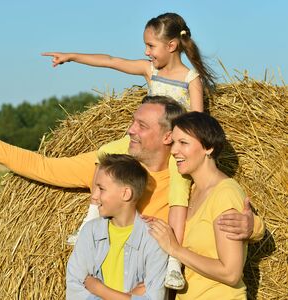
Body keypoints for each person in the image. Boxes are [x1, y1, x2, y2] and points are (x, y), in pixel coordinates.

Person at [0, 95, 263, 291]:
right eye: (132, 122)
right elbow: (45, 167)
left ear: (169, 137)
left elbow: (223, 207)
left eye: (141, 126)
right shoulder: (112, 168)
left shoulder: (187, 175)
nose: (130, 130)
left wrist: (254, 228)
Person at [42, 12, 216, 289]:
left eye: (151, 46)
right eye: (146, 46)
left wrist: (188, 151)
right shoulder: (152, 71)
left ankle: (173, 262)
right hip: (147, 140)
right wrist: (72, 56)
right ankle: (91, 220)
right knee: (105, 156)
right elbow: (112, 61)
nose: (146, 52)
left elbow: (197, 120)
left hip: (173, 146)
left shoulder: (191, 78)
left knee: (179, 194)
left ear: (171, 45)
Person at [149, 112, 249, 299]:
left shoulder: (225, 194)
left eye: (183, 143)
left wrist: (175, 249)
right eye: (173, 142)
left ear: (208, 147)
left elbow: (231, 273)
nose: (173, 150)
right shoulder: (192, 191)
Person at [66, 154, 167, 299]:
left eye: (101, 188)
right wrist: (128, 296)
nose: (94, 196)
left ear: (125, 194)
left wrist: (99, 289)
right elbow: (74, 293)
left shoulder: (153, 240)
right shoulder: (90, 233)